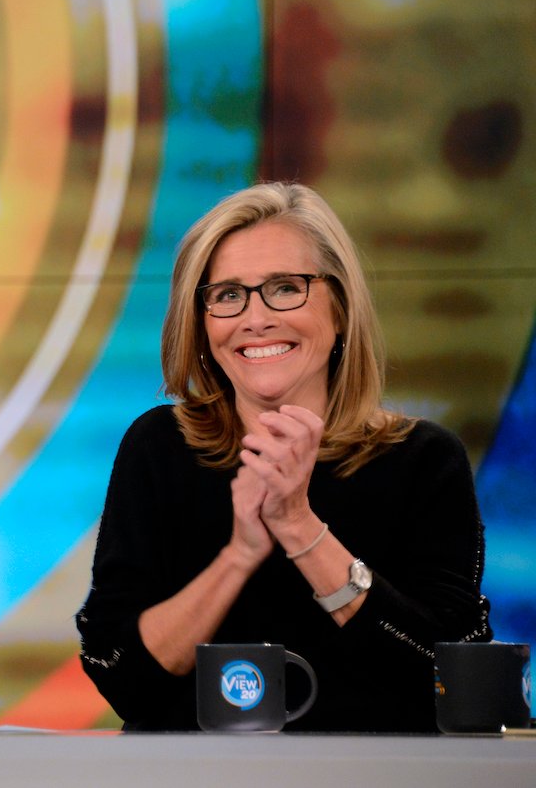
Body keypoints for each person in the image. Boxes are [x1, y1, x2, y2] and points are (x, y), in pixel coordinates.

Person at [76, 182, 491, 732]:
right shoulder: (159, 447)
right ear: (201, 323)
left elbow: (448, 675)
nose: (256, 317)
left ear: (340, 309)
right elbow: (122, 674)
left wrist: (298, 526)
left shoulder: (424, 459)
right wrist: (239, 555)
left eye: (285, 288)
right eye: (227, 295)